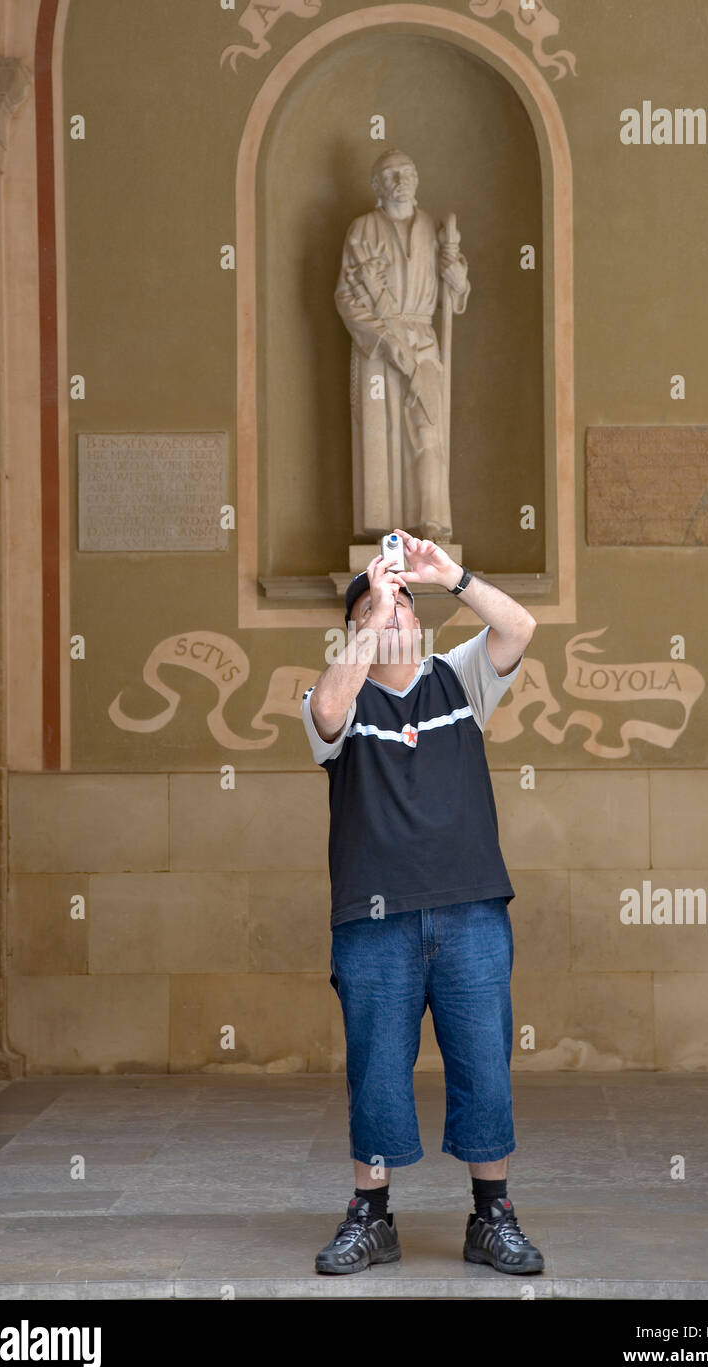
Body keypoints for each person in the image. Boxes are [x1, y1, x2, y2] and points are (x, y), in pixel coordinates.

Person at [300, 529, 544, 1277]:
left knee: (484, 1065)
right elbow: (330, 715)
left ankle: (492, 1216)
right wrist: (370, 620)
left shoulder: (458, 676)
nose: (400, 610)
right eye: (382, 602)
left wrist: (450, 575)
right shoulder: (329, 693)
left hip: (471, 909)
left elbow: (519, 628)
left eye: (405, 601)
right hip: (374, 923)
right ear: (356, 627)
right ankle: (370, 1217)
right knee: (376, 1068)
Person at [334, 150, 469, 544]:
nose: (399, 180)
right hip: (377, 346)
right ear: (377, 185)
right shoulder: (362, 230)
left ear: (417, 179)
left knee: (428, 431)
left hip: (423, 342)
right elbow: (346, 296)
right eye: (390, 174)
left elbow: (456, 292)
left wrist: (456, 275)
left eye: (406, 172)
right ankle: (386, 529)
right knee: (382, 433)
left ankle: (430, 523)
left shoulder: (435, 231)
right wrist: (381, 339)